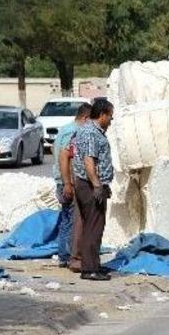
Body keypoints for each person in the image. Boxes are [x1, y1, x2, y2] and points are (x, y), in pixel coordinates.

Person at [71, 99, 115, 281]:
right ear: (103, 114)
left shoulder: (90, 130)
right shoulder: (91, 133)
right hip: (89, 186)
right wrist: (97, 185)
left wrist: (104, 185)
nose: (111, 121)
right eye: (110, 117)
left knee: (94, 225)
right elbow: (89, 161)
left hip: (93, 184)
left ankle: (93, 265)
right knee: (93, 227)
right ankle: (89, 269)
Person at [52, 102, 92, 269]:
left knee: (67, 219)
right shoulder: (73, 131)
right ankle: (68, 256)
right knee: (71, 220)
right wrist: (68, 183)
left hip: (63, 180)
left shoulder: (65, 129)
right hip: (68, 181)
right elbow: (65, 157)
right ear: (85, 117)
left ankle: (64, 255)